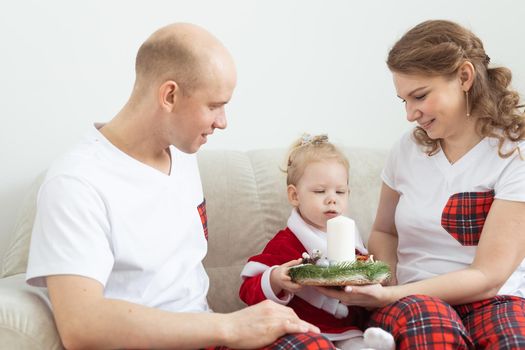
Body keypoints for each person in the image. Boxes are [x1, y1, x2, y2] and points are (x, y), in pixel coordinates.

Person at [25, 23, 334, 350]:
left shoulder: (183, 155)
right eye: (214, 105)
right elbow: (81, 325)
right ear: (169, 95)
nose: (222, 121)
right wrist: (228, 326)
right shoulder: (77, 182)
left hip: (209, 338)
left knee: (312, 343)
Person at [317, 19, 525, 349]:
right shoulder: (407, 149)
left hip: (494, 299)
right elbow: (385, 231)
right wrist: (390, 284)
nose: (410, 113)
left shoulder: (515, 155)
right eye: (404, 101)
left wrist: (391, 293)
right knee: (432, 332)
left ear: (464, 77)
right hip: (413, 300)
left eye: (420, 96)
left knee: (513, 339)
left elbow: (488, 277)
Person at [240, 134, 395, 350]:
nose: (332, 198)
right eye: (320, 191)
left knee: (357, 343)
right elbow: (248, 289)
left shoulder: (350, 237)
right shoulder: (287, 241)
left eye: (340, 192)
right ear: (295, 196)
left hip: (347, 329)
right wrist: (275, 278)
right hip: (302, 329)